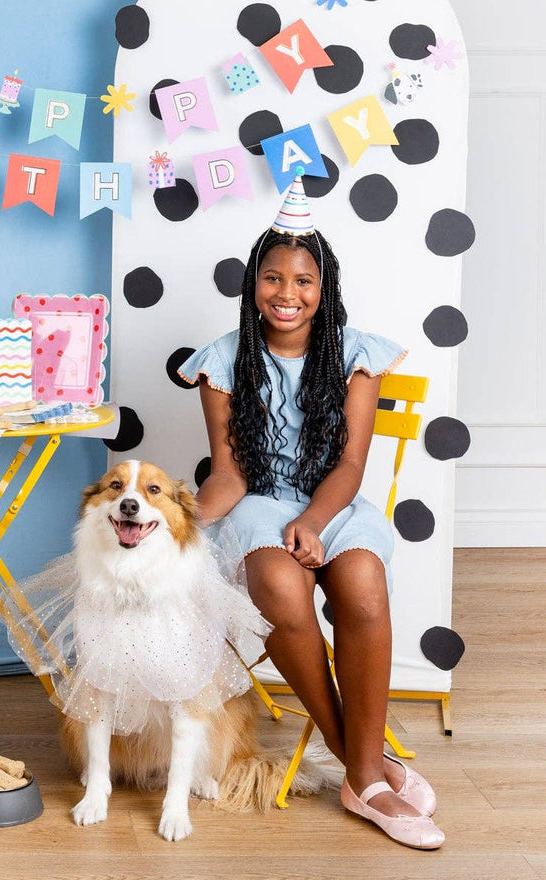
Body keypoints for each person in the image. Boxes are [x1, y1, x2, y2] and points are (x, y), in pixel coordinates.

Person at [179, 174, 445, 850]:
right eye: (273, 278)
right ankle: (360, 762)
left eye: (303, 280)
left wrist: (316, 521)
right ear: (253, 286)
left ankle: (358, 769)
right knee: (276, 584)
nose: (287, 293)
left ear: (323, 289)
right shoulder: (223, 362)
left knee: (361, 584)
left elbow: (352, 465)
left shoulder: (357, 356)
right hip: (259, 502)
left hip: (336, 502)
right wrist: (182, 520)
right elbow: (230, 472)